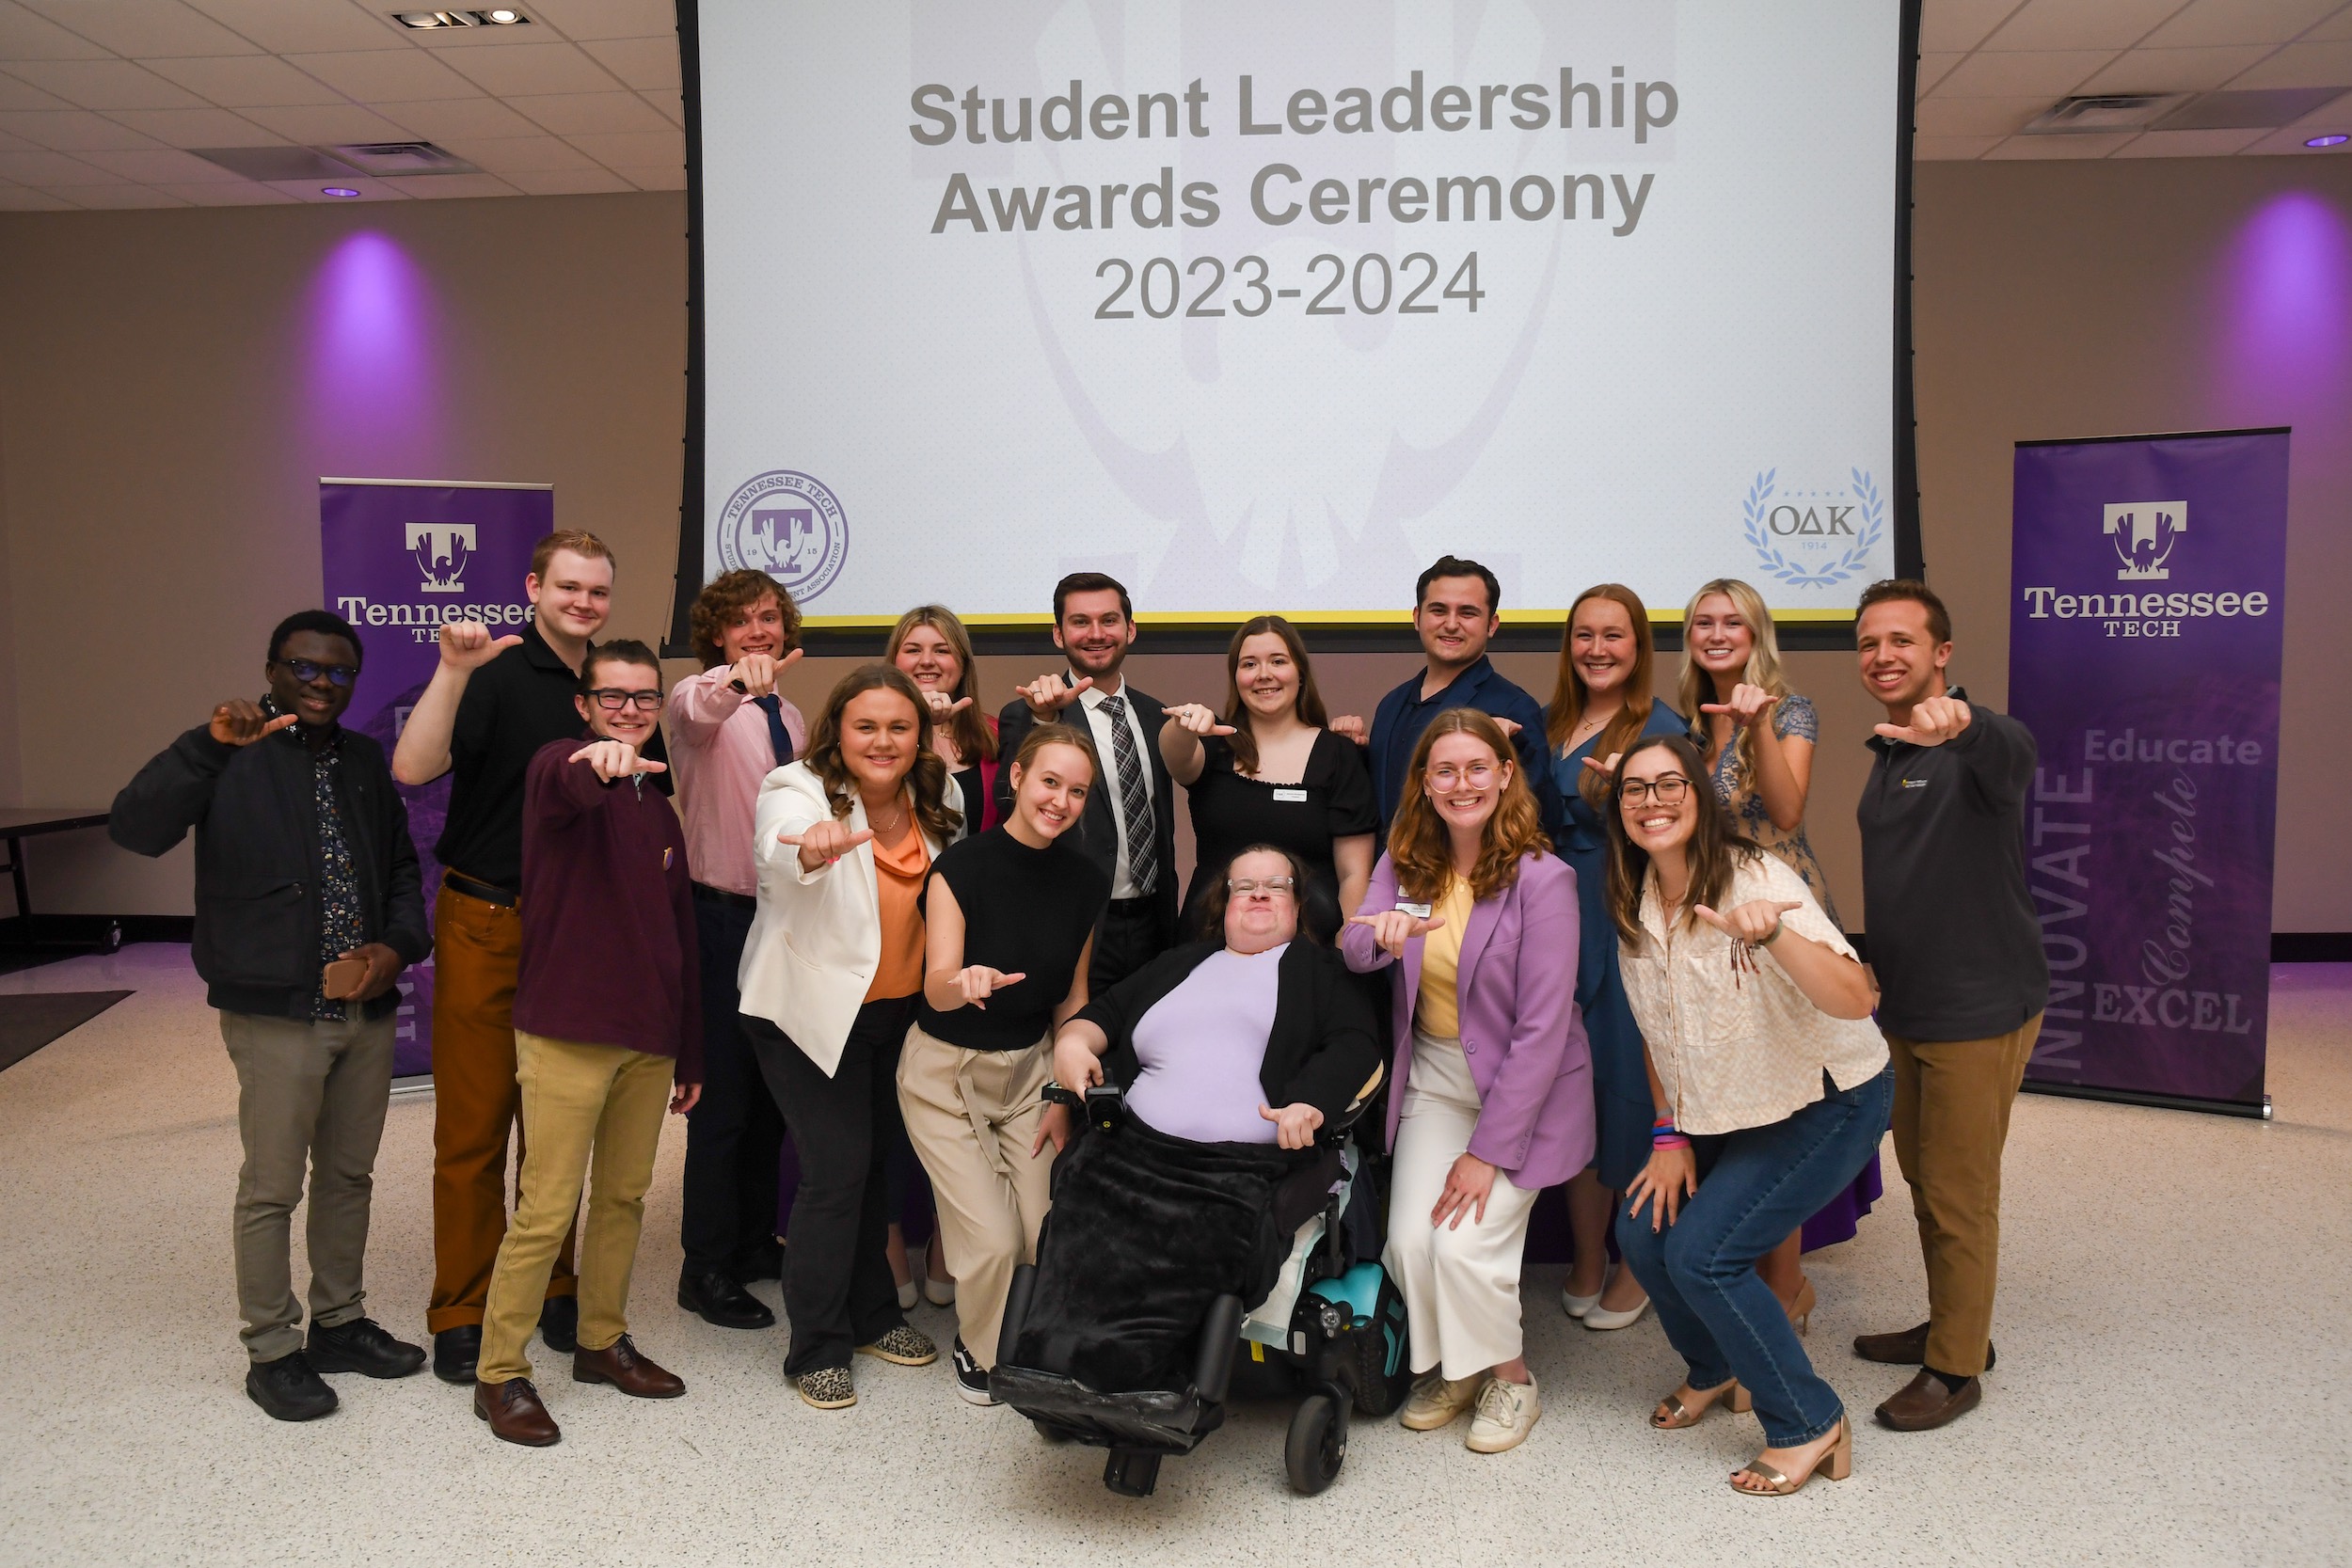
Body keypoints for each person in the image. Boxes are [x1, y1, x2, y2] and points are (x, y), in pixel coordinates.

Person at [111, 611, 430, 1421]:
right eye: (305, 667)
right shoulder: (227, 752)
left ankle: (339, 1321)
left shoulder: (363, 760)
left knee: (349, 1176)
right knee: (273, 1187)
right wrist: (207, 745)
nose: (323, 683)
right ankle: (272, 1348)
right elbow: (135, 827)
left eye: (339, 672)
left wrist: (396, 946)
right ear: (272, 669)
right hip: (276, 1010)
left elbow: (399, 868)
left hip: (363, 1007)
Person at [392, 530, 663, 1383]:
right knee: (475, 1127)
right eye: (569, 587)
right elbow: (412, 766)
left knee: (560, 1131)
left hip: (582, 930)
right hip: (492, 919)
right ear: (533, 586)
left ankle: (553, 1287)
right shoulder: (497, 670)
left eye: (598, 591)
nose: (584, 602)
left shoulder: (616, 688)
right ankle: (464, 1308)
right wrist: (452, 669)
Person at [1606, 734, 1890, 1497]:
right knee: (1641, 1228)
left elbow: (1858, 999)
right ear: (1619, 809)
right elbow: (1654, 1030)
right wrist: (1668, 1134)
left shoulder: (1754, 876)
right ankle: (1716, 1367)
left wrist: (1772, 933)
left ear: (1699, 796)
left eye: (1671, 784)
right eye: (1635, 789)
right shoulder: (1635, 895)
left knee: (1705, 1252)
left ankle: (1809, 1418)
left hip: (1827, 1097)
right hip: (1735, 1106)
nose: (1653, 800)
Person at [1016, 847, 1384, 1392]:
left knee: (1191, 1247)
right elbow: (1107, 1013)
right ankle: (1052, 1365)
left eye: (1276, 885)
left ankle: (1145, 1383)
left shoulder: (1318, 969)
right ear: (1225, 902)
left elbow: (1357, 1046)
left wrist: (1312, 1101)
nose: (1259, 893)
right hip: (1130, 1148)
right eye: (1244, 885)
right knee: (1079, 1220)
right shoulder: (1181, 963)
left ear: (1299, 904)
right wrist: (1071, 1041)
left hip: (1233, 1168)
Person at [472, 641, 704, 1447]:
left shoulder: (658, 805)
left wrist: (691, 1051)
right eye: (614, 696)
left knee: (624, 1197)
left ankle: (601, 1341)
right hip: (567, 1033)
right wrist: (595, 760)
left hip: (647, 1038)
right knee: (546, 1208)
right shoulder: (557, 768)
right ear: (584, 703)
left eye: (645, 697)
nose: (631, 710)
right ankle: (500, 1372)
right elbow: (570, 781)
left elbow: (680, 938)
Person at [1342, 709, 1591, 1456]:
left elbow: (1542, 1032)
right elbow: (1355, 946)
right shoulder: (1405, 859)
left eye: (1477, 767)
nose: (1461, 783)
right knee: (1410, 1241)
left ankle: (1511, 1378)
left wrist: (1488, 1150)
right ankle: (1457, 1367)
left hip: (1526, 1088)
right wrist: (1377, 937)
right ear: (1423, 781)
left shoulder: (1544, 880)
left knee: (1462, 1247)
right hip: (1437, 1076)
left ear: (1505, 774)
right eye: (1443, 769)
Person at [737, 665, 963, 1410]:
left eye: (899, 727)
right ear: (838, 729)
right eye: (866, 725)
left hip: (894, 1015)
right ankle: (816, 1347)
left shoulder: (939, 793)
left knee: (871, 1167)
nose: (883, 741)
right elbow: (776, 849)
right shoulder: (796, 786)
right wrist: (810, 847)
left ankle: (871, 1316)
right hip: (804, 1010)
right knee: (834, 1170)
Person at [1851, 578, 2046, 1433]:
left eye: (1902, 639)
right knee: (1927, 1177)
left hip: (1977, 1007)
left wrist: (1967, 723)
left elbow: (2015, 752)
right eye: (1868, 643)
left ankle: (1958, 1366)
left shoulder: (1973, 746)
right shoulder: (1889, 749)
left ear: (1942, 653)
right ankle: (1952, 1320)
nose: (1883, 655)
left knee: (1962, 1190)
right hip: (1908, 1004)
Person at [1678, 577, 1879, 1327]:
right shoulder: (1689, 726)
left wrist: (1755, 723)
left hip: (1781, 910)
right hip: (1711, 916)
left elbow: (1787, 808)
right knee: (1742, 1089)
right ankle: (1744, 1268)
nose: (1718, 632)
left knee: (1784, 1097)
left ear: (1757, 633)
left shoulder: (1789, 708)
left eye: (1734, 621)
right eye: (1705, 621)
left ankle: (1785, 1286)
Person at [905, 724, 1107, 1403]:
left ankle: (1026, 1333)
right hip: (944, 1074)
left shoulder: (1084, 879)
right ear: (1016, 778)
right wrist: (963, 980)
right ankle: (982, 1347)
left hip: (1030, 1071)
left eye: (1078, 790)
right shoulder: (961, 869)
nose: (1062, 800)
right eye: (1050, 781)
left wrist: (1062, 1089)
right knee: (990, 1241)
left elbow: (1074, 999)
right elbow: (935, 981)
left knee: (1041, 1226)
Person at [1542, 584, 1687, 1333]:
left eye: (1614, 635)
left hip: (1626, 919)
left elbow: (1680, 829)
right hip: (1557, 923)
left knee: (1631, 1093)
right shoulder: (1553, 721)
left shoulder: (1661, 728)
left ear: (1639, 647)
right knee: (1575, 1091)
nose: (1598, 648)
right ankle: (1588, 1255)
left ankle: (1639, 1259)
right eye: (1584, 635)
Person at [665, 569, 803, 1332]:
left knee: (768, 1098)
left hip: (784, 921)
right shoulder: (697, 700)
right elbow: (702, 707)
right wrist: (734, 685)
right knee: (719, 1104)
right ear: (717, 634)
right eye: (743, 621)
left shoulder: (792, 711)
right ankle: (704, 1267)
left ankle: (753, 1242)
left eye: (771, 618)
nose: (760, 630)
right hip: (720, 918)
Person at [996, 572, 1177, 993]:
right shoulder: (1028, 715)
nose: (1096, 634)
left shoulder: (1157, 717)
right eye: (1080, 622)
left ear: (1130, 629)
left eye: (1109, 620)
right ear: (1059, 635)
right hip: (1072, 925)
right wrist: (1045, 721)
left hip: (1155, 923)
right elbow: (1010, 806)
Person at [1159, 614, 1376, 937]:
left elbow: (1353, 874)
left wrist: (1344, 950)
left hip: (1309, 953)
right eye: (1249, 665)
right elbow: (1175, 756)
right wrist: (1182, 725)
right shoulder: (1215, 745)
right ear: (1236, 678)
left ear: (1300, 673)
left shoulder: (1338, 754)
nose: (1264, 675)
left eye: (1277, 661)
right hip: (1208, 945)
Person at [1343, 555, 1561, 843]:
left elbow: (1545, 820)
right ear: (1416, 618)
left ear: (1492, 625)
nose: (1451, 624)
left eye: (1468, 613)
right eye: (1438, 610)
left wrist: (1516, 750)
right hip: (1389, 880)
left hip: (1469, 881)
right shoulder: (1391, 704)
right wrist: (1351, 753)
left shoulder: (1513, 707)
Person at [893, 603, 1002, 835]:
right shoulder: (870, 736)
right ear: (894, 663)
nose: (927, 661)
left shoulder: (996, 734)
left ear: (962, 665)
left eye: (942, 650)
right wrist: (917, 722)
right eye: (913, 650)